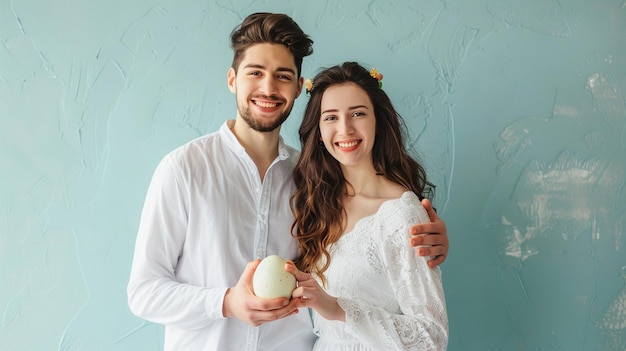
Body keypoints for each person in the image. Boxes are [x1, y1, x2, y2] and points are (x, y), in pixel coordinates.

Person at [127, 13, 448, 351]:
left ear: (298, 87)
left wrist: (426, 234)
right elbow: (144, 293)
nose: (268, 88)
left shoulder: (313, 180)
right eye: (255, 73)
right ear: (232, 79)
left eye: (282, 76)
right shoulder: (185, 169)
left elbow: (377, 232)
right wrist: (226, 302)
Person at [286, 62, 448, 350]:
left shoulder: (402, 214)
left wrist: (338, 308)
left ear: (378, 121)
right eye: (331, 117)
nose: (345, 129)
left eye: (358, 114)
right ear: (319, 131)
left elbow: (431, 337)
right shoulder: (320, 203)